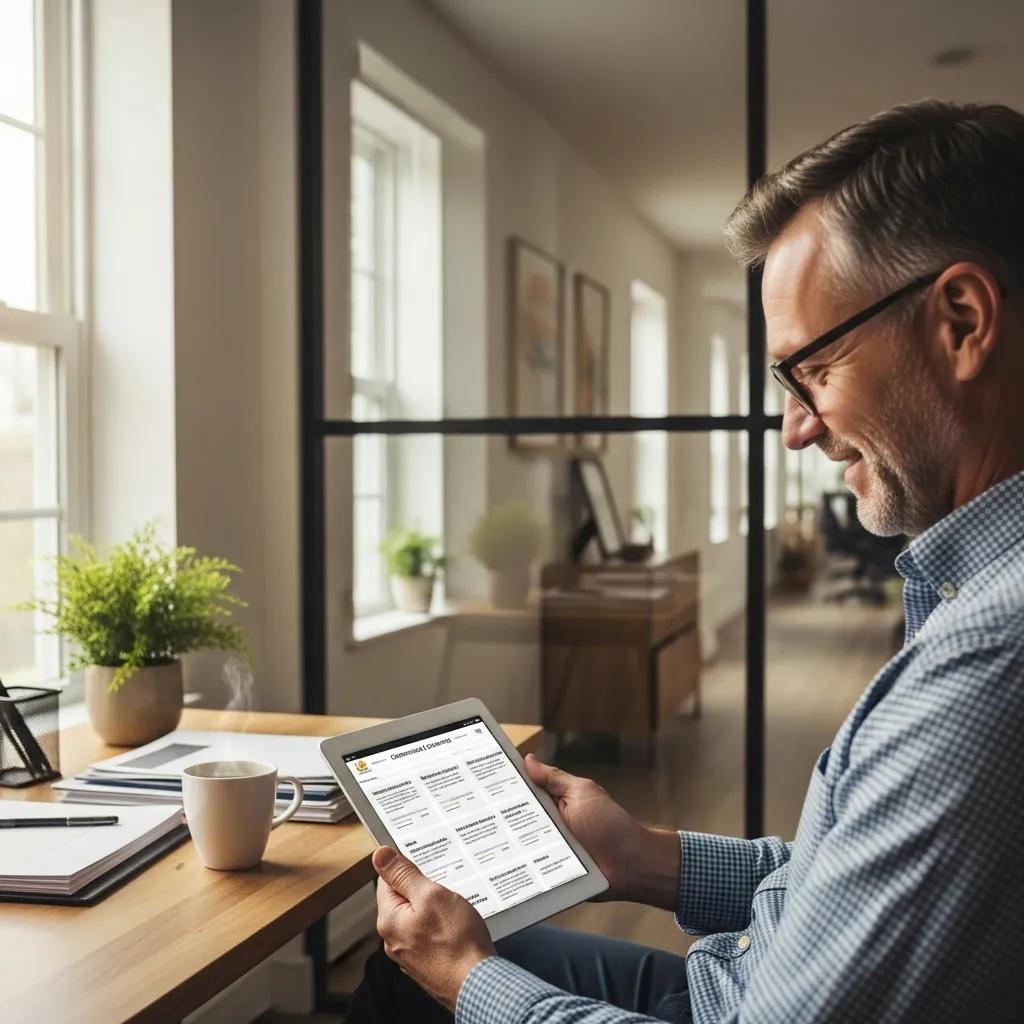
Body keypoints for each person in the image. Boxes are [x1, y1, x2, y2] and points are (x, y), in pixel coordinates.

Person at [347, 99, 1024, 1023]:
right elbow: (842, 896)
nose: (795, 429)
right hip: (733, 978)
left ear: (961, 321)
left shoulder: (987, 664)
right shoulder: (974, 604)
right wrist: (636, 854)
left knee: (419, 973)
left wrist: (471, 981)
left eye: (813, 371)